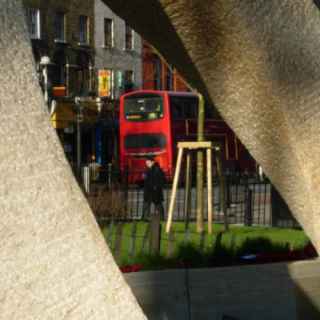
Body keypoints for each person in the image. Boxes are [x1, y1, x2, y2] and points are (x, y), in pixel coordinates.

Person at [141, 156, 166, 220]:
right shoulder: (147, 169)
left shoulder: (157, 169)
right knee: (146, 204)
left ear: (152, 162)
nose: (147, 163)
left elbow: (162, 179)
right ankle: (145, 217)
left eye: (148, 162)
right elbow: (145, 178)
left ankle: (161, 217)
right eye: (146, 162)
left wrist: (156, 186)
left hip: (155, 190)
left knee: (158, 204)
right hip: (148, 190)